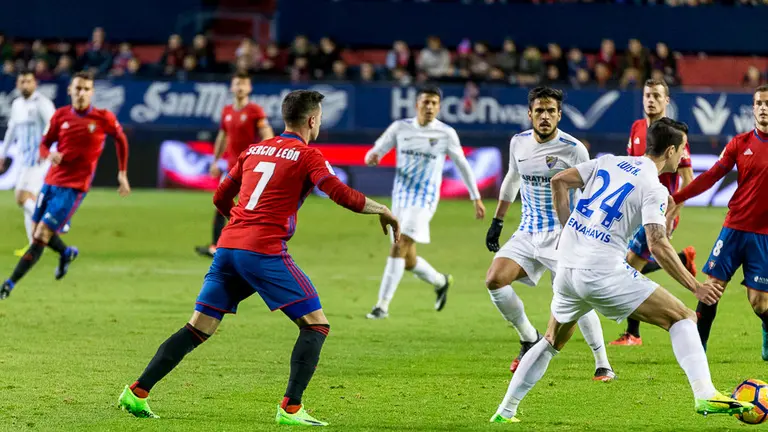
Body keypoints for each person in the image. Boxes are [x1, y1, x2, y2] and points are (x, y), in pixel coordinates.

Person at [117, 90, 400, 426]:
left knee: (198, 328)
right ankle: (291, 409)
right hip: (263, 251)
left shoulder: (254, 150)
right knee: (316, 325)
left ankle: (136, 392)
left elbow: (220, 196)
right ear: (312, 120)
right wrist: (382, 209)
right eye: (320, 118)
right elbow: (339, 193)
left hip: (227, 249)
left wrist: (237, 226)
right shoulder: (308, 155)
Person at [489, 118, 752, 423]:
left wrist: (567, 226)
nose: (683, 155)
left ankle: (504, 411)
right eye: (682, 149)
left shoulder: (609, 161)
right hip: (602, 272)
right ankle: (705, 393)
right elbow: (657, 243)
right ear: (670, 151)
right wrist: (696, 286)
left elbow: (559, 180)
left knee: (551, 340)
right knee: (683, 317)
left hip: (567, 266)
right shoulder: (652, 187)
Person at [484, 87, 613, 380]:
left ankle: (602, 362)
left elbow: (590, 192)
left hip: (563, 234)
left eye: (551, 111)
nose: (545, 116)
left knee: (576, 295)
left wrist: (589, 231)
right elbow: (512, 178)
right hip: (528, 231)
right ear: (530, 114)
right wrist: (498, 221)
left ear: (559, 115)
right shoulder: (518, 142)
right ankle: (528, 337)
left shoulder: (574, 148)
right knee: (494, 280)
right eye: (539, 111)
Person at [0, 71, 130, 299]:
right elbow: (45, 143)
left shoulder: (103, 118)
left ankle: (9, 284)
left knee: (40, 234)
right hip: (51, 182)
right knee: (38, 232)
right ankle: (66, 252)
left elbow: (121, 139)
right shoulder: (60, 116)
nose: (81, 93)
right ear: (70, 90)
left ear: (92, 92)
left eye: (86, 89)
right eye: (78, 88)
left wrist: (122, 173)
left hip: (74, 187)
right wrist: (49, 154)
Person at [364, 85, 485, 319]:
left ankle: (381, 306)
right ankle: (440, 281)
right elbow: (376, 150)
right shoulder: (401, 128)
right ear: (417, 105)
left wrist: (476, 197)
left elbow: (462, 164)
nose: (429, 107)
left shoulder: (446, 133)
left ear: (439, 107)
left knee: (399, 245)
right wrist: (372, 157)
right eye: (425, 102)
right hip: (400, 198)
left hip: (425, 199)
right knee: (407, 259)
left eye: (434, 103)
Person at [667, 84, 768, 358]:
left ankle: (766, 328)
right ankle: (697, 352)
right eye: (759, 103)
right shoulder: (739, 143)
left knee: (760, 304)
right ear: (753, 108)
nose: (763, 108)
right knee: (711, 288)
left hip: (764, 235)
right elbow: (711, 176)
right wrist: (678, 197)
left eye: (767, 103)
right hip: (733, 228)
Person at [612, 78, 697, 346]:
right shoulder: (637, 128)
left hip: (659, 212)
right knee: (628, 265)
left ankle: (633, 333)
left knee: (627, 267)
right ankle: (681, 259)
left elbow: (688, 179)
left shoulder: (674, 135)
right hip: (635, 209)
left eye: (657, 96)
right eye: (648, 95)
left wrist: (672, 213)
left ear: (666, 101)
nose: (651, 100)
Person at [195, 71, 274, 258]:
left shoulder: (255, 111)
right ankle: (216, 246)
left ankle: (254, 245)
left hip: (250, 168)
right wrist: (215, 160)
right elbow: (222, 136)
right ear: (232, 87)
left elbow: (267, 134)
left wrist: (265, 156)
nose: (240, 87)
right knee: (220, 203)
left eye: (244, 84)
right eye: (237, 83)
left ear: (249, 88)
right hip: (232, 168)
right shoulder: (227, 111)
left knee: (250, 208)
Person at [0, 71, 56, 255]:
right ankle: (34, 245)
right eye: (22, 81)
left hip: (39, 159)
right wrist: (2, 154)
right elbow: (12, 129)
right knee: (28, 201)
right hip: (24, 160)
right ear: (17, 84)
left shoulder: (42, 103)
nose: (25, 85)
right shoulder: (17, 104)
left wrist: (47, 150)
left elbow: (53, 126)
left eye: (29, 81)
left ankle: (49, 223)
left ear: (35, 83)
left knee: (21, 197)